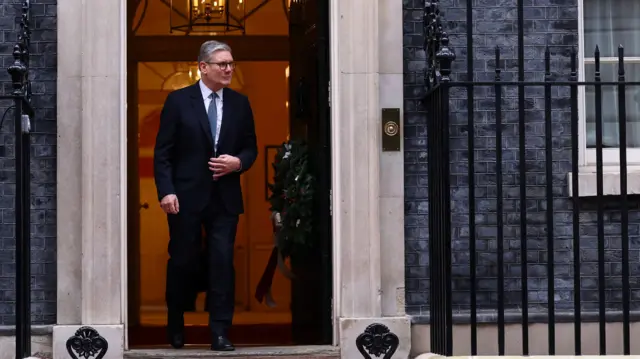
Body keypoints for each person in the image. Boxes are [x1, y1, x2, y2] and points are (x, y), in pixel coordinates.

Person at [153, 40, 257, 351]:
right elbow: (163, 153)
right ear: (203, 67)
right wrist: (166, 190)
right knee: (183, 261)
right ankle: (175, 323)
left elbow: (250, 146)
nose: (228, 69)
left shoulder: (240, 103)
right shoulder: (178, 101)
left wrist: (238, 163)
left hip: (224, 198)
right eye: (222, 64)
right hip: (184, 197)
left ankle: (220, 332)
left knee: (222, 262)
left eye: (231, 63)